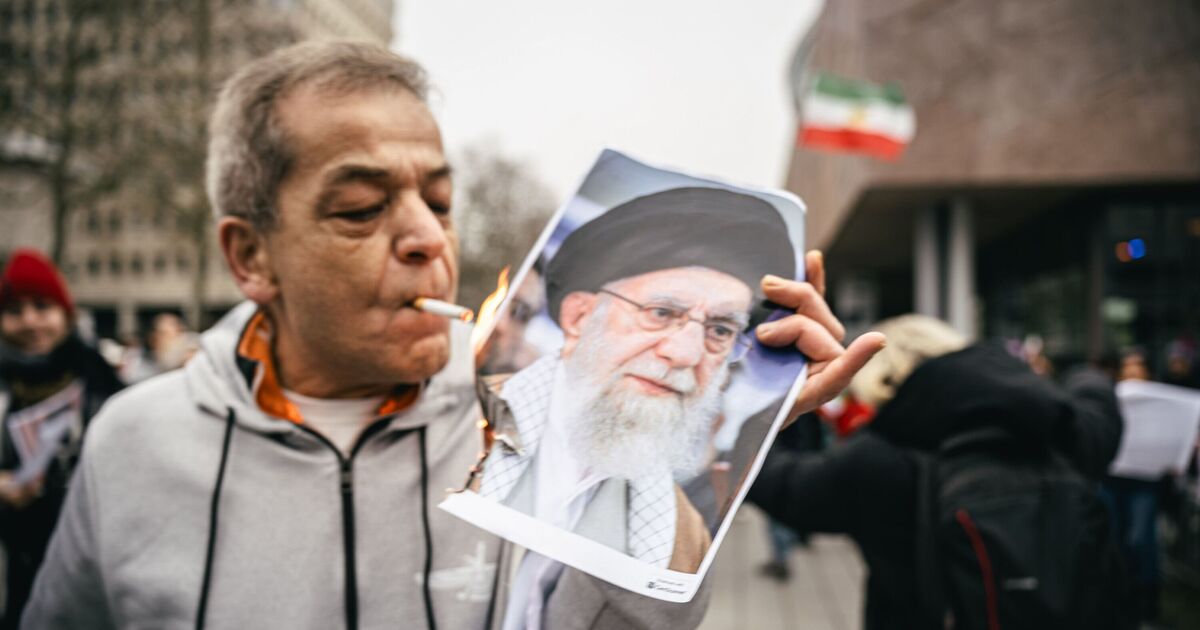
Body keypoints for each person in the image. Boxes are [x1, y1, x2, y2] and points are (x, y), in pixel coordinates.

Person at [22, 41, 883, 630]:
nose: (428, 239)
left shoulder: (524, 427)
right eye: (361, 208)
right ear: (251, 256)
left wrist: (707, 438)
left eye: (438, 201)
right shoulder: (133, 444)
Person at [477, 187, 794, 570]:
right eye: (661, 313)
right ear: (580, 318)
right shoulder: (462, 426)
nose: (686, 354)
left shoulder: (685, 535)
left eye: (721, 330)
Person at [749, 314, 1130, 630]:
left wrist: (773, 393)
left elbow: (777, 482)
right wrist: (1085, 375)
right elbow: (1100, 405)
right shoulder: (1055, 427)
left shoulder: (875, 459)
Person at [0, 249, 122, 628]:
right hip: (15, 570)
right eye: (15, 310)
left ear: (66, 315)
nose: (30, 321)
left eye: (42, 306)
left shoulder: (101, 380)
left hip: (95, 566)